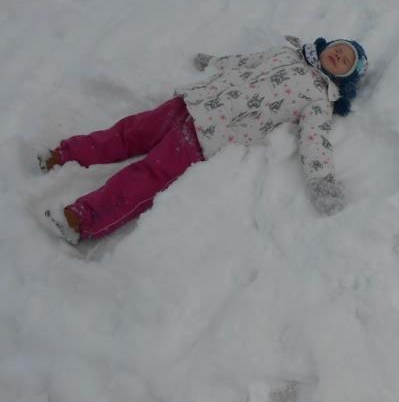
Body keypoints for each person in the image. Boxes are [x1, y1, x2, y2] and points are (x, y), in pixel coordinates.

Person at [36, 35, 368, 245]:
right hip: (192, 103)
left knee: (150, 175)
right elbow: (245, 62)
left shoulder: (318, 100)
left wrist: (322, 180)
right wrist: (215, 63)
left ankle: (83, 218)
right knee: (129, 131)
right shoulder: (286, 53)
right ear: (327, 46)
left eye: (347, 61)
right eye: (340, 49)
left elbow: (315, 140)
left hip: (208, 135)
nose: (340, 56)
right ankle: (65, 154)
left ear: (346, 78)